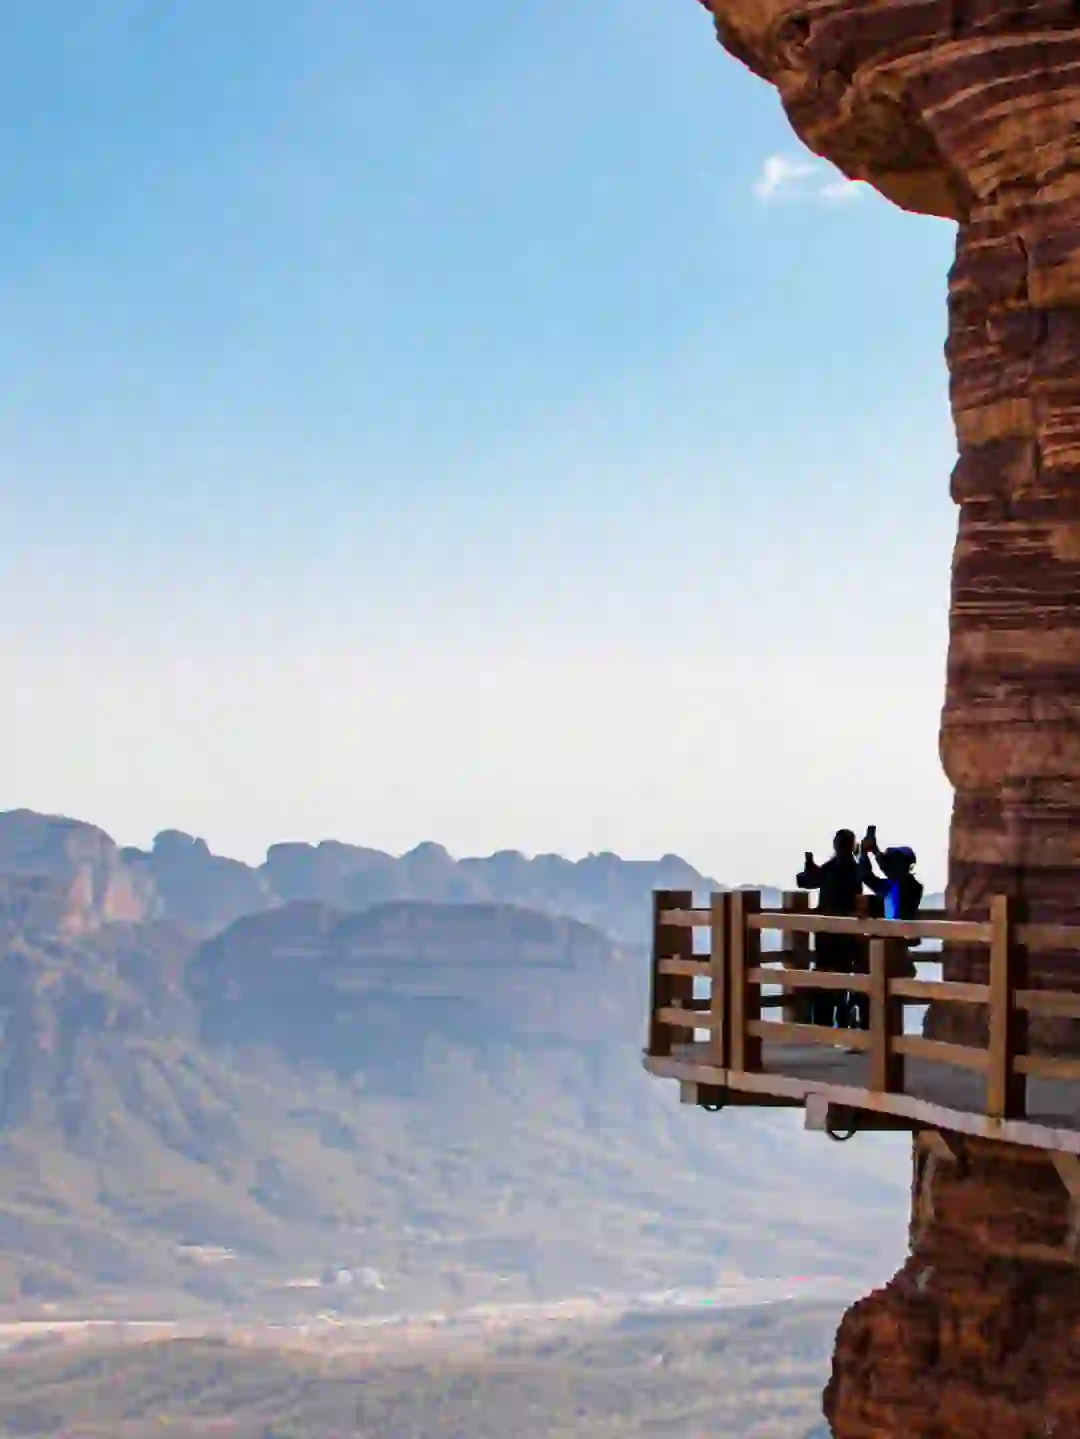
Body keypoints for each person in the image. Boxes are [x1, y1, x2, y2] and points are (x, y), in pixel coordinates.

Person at [796, 830, 863, 1029]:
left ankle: (827, 1029)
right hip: (837, 938)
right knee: (834, 985)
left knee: (831, 985)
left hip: (833, 937)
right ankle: (834, 1027)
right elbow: (809, 880)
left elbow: (809, 880)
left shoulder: (840, 868)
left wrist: (810, 868)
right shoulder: (848, 868)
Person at [856, 833, 924, 1022]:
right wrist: (864, 853)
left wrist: (874, 851)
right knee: (872, 993)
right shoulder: (892, 885)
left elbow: (886, 870)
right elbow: (867, 877)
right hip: (887, 946)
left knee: (889, 997)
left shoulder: (910, 885)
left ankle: (886, 1043)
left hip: (896, 947)